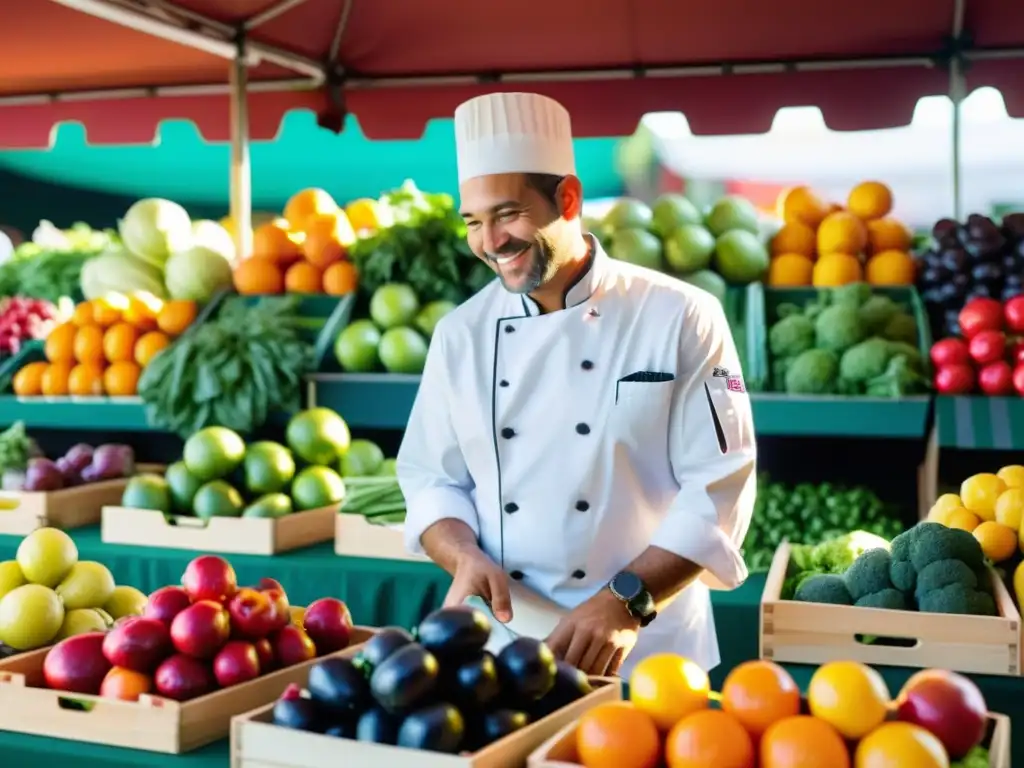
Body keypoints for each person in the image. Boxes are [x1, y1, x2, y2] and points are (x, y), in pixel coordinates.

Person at [396, 92, 756, 679]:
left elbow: (720, 488)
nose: (490, 242)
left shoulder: (683, 315)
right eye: (473, 222)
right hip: (505, 647)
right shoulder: (458, 335)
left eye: (507, 214)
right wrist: (459, 552)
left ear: (567, 197)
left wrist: (624, 601)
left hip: (648, 645)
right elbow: (431, 478)